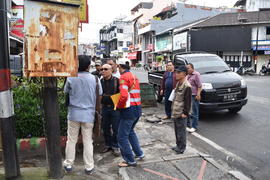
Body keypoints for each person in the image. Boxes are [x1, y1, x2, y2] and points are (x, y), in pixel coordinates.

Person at [63, 55, 102, 175]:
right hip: (89, 115)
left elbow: (65, 92)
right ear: (89, 66)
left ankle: (68, 164)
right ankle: (89, 167)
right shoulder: (95, 79)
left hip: (74, 114)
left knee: (71, 140)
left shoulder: (71, 78)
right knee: (88, 141)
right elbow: (99, 94)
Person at [117, 58, 144, 167]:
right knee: (131, 132)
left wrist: (118, 105)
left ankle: (129, 160)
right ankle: (139, 153)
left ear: (120, 66)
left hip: (129, 110)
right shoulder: (134, 76)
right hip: (137, 109)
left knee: (122, 136)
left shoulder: (123, 77)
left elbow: (123, 95)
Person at [100, 64, 120, 156]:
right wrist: (108, 97)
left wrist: (106, 97)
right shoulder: (100, 81)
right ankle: (108, 144)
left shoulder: (117, 81)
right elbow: (99, 95)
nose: (103, 71)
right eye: (102, 69)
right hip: (104, 107)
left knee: (116, 128)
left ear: (111, 70)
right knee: (105, 127)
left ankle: (115, 145)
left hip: (115, 108)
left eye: (105, 69)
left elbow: (120, 95)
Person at [171, 66, 192, 154]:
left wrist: (185, 113)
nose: (176, 74)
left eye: (178, 73)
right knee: (176, 130)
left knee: (181, 131)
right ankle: (178, 145)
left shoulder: (187, 86)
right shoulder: (179, 83)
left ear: (184, 74)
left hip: (181, 112)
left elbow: (188, 101)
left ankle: (182, 148)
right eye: (176, 72)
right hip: (176, 110)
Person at [186, 63, 202, 133]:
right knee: (187, 110)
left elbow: (199, 86)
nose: (187, 69)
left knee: (195, 111)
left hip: (194, 95)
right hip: (188, 95)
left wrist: (198, 94)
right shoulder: (187, 75)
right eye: (186, 68)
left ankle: (194, 126)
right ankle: (188, 124)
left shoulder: (196, 74)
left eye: (188, 68)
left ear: (192, 68)